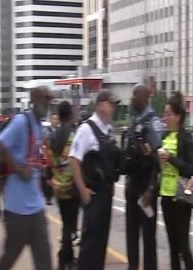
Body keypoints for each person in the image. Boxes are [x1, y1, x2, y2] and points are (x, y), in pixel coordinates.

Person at [0, 86, 53, 270]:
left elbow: (33, 157)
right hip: (17, 210)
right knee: (9, 259)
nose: (48, 103)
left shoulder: (38, 126)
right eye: (45, 99)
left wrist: (41, 171)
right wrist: (19, 168)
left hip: (35, 208)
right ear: (35, 99)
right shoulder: (21, 121)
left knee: (44, 261)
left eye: (50, 100)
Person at [70, 90, 121, 270]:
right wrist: (82, 190)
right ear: (100, 105)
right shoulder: (86, 129)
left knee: (101, 242)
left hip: (106, 192)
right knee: (90, 243)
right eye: (111, 104)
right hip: (93, 193)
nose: (113, 108)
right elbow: (74, 159)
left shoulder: (107, 129)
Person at [124, 84, 162, 270]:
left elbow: (158, 160)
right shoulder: (134, 120)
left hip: (146, 189)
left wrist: (150, 189)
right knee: (131, 236)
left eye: (135, 95)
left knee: (148, 239)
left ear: (145, 97)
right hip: (132, 187)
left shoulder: (153, 121)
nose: (132, 99)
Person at [158, 91, 193, 270]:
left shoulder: (186, 137)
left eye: (168, 114)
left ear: (178, 116)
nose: (165, 118)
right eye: (164, 114)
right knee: (173, 248)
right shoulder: (164, 137)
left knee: (183, 247)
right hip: (166, 197)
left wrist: (171, 158)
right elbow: (161, 168)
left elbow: (190, 169)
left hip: (181, 198)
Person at [50, 101, 78, 270]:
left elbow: (50, 161)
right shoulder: (73, 136)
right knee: (70, 224)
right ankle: (64, 259)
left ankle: (68, 257)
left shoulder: (52, 136)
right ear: (70, 115)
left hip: (57, 185)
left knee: (66, 221)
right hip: (72, 187)